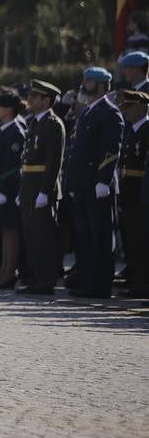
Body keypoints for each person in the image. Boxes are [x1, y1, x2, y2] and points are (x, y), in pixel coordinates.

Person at [65, 67, 123, 298]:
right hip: (82, 185)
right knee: (85, 237)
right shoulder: (87, 112)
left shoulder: (110, 112)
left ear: (99, 85)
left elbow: (111, 149)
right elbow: (77, 152)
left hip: (98, 185)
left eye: (87, 82)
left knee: (100, 236)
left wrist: (104, 180)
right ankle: (88, 282)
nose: (83, 85)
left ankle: (101, 284)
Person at [18, 80, 65, 295]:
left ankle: (46, 280)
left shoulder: (53, 124)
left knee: (44, 236)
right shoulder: (34, 122)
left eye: (36, 97)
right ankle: (35, 277)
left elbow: (53, 161)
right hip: (30, 186)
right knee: (31, 236)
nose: (31, 100)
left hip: (42, 187)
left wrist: (45, 191)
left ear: (47, 100)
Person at [0, 93, 26, 289]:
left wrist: (3, 189)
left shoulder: (15, 131)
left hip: (8, 189)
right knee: (3, 231)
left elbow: (12, 165)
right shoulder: (1, 129)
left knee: (10, 231)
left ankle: (10, 272)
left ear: (9, 109)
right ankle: (3, 271)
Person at [119, 90, 149, 298]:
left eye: (129, 107)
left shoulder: (147, 129)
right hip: (129, 190)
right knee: (131, 240)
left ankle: (143, 285)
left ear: (142, 107)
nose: (125, 111)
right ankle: (136, 283)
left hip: (141, 190)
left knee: (142, 241)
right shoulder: (131, 130)